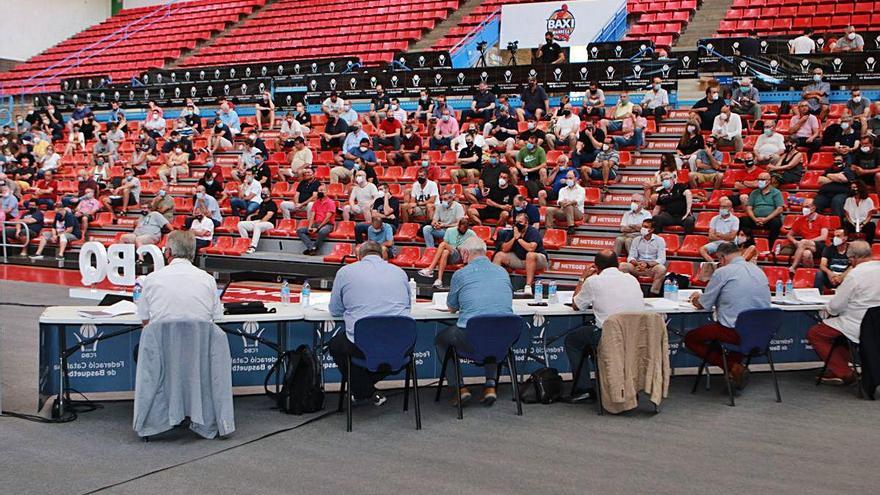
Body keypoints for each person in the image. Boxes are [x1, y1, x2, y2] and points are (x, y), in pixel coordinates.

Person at [329, 241, 411, 405]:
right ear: (382, 254)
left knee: (337, 345)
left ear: (359, 256)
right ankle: (366, 389)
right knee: (380, 353)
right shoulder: (400, 272)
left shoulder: (345, 272)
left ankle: (363, 390)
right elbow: (408, 307)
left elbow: (336, 310)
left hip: (362, 344)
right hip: (398, 342)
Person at [435, 237, 514, 405]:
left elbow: (451, 307)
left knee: (442, 340)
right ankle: (490, 386)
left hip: (471, 338)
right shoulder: (502, 272)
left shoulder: (460, 274)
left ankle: (459, 388)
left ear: (465, 253)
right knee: (492, 332)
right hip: (503, 337)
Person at [685, 242, 771, 389]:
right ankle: (734, 369)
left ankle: (733, 367)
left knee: (690, 338)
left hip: (735, 331)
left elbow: (703, 304)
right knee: (728, 342)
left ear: (722, 258)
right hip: (760, 332)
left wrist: (695, 298)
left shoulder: (723, 272)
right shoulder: (759, 271)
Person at [566, 250, 645, 401]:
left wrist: (583, 278)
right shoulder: (632, 279)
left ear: (596, 267)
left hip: (610, 336)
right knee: (589, 337)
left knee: (572, 341)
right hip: (635, 336)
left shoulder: (593, 281)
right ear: (618, 264)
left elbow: (576, 304)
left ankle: (584, 388)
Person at [808, 241, 879, 384]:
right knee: (840, 337)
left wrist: (827, 310)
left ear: (853, 258)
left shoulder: (855, 275)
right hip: (876, 324)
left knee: (815, 333)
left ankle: (844, 372)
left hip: (856, 323)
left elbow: (836, 306)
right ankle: (837, 367)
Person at [137, 230, 223, 325]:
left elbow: (144, 318)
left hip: (162, 338)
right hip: (199, 338)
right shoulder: (208, 279)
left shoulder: (152, 278)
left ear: (168, 252)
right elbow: (217, 317)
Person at [493, 212, 548, 295]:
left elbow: (531, 248)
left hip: (538, 260)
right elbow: (504, 248)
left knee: (530, 255)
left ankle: (528, 286)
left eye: (520, 222)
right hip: (521, 259)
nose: (518, 224)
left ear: (526, 223)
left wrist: (519, 238)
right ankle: (494, 283)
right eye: (516, 222)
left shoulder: (533, 231)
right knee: (499, 255)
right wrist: (514, 238)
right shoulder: (514, 231)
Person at [417, 217, 476, 288]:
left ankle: (430, 269)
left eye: (465, 229)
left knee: (443, 244)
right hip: (450, 255)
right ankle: (439, 280)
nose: (463, 231)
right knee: (445, 251)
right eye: (462, 229)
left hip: (460, 256)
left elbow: (476, 245)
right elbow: (445, 245)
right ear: (458, 226)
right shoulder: (450, 231)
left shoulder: (471, 233)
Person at [619, 219, 667, 295]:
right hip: (638, 266)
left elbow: (662, 259)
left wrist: (647, 264)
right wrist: (636, 263)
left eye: (645, 227)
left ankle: (653, 293)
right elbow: (631, 256)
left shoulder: (660, 240)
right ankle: (629, 291)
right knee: (622, 266)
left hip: (651, 268)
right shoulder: (636, 240)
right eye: (642, 226)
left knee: (661, 269)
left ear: (651, 230)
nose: (642, 229)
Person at [740, 171, 785, 246]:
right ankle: (749, 244)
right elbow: (749, 208)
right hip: (755, 219)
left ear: (769, 181)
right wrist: (755, 219)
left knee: (776, 223)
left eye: (763, 179)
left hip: (769, 220)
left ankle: (770, 246)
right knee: (743, 221)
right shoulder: (754, 193)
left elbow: (779, 209)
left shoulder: (776, 192)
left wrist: (766, 219)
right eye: (759, 179)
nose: (760, 181)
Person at [783, 205, 830, 274]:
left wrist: (808, 241)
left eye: (807, 207)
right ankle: (809, 274)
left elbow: (823, 237)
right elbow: (789, 235)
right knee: (806, 254)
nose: (804, 209)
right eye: (803, 207)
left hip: (822, 246)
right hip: (807, 246)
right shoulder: (800, 220)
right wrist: (795, 242)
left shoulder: (823, 218)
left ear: (813, 208)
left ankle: (793, 267)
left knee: (803, 242)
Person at [236, 187, 277, 254]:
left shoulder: (272, 204)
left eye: (265, 192)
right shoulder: (262, 203)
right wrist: (251, 216)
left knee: (257, 225)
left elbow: (268, 216)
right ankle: (246, 243)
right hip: (259, 221)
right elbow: (258, 213)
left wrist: (260, 222)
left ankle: (253, 247)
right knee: (240, 224)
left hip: (269, 223)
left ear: (269, 193)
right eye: (262, 192)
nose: (263, 193)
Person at [298, 184, 336, 256]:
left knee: (322, 231)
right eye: (319, 191)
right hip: (317, 223)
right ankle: (311, 247)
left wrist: (317, 228)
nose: (320, 192)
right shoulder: (316, 202)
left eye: (322, 190)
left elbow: (327, 219)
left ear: (326, 192)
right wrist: (310, 226)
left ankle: (314, 247)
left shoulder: (331, 203)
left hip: (327, 224)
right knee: (300, 231)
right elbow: (312, 215)